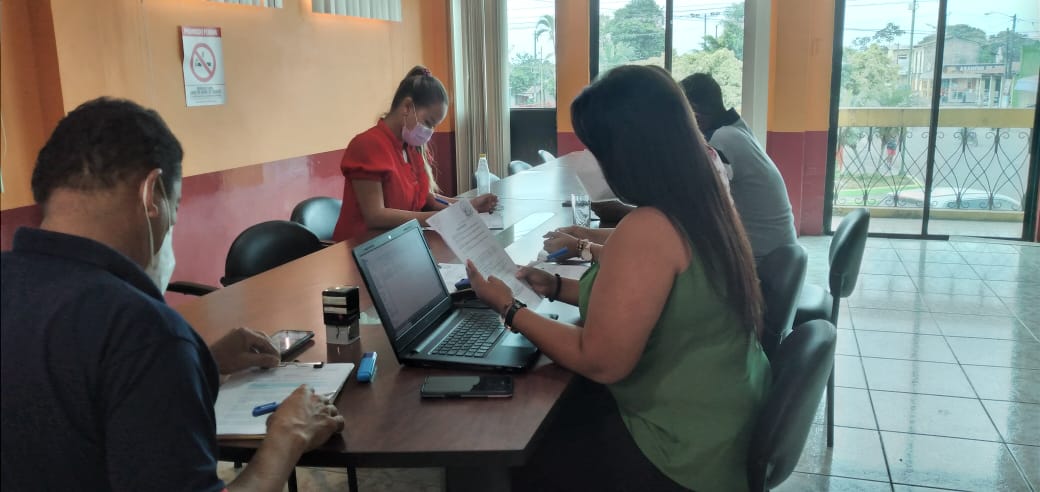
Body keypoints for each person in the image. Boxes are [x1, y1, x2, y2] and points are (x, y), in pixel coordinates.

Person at [1, 98, 344, 491]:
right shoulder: (142, 331)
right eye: (175, 208)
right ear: (152, 193)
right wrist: (286, 438)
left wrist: (201, 362)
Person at [465, 66, 771, 491]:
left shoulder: (649, 228)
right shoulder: (702, 202)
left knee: (512, 447)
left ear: (629, 152)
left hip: (680, 453)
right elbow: (643, 301)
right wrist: (555, 287)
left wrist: (509, 307)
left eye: (598, 151)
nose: (596, 165)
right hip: (719, 422)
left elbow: (600, 360)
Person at [547, 72, 797, 265]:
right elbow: (669, 226)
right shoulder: (735, 132)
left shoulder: (719, 144)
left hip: (757, 258)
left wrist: (583, 246)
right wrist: (585, 233)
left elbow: (655, 247)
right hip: (763, 253)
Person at [332, 65, 497, 242]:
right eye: (428, 122)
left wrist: (470, 206)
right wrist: (440, 219)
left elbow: (429, 199)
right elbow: (375, 215)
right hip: (362, 247)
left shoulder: (409, 148)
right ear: (407, 107)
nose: (430, 131)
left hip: (398, 241)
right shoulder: (368, 144)